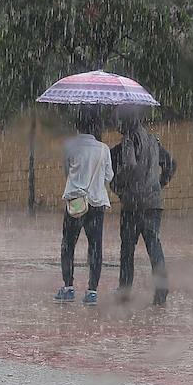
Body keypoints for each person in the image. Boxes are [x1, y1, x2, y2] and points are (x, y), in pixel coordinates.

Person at [110, 108, 176, 306]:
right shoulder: (152, 141)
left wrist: (119, 186)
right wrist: (159, 184)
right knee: (154, 246)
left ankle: (124, 291)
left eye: (119, 121)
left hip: (132, 205)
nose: (117, 126)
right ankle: (162, 289)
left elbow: (129, 166)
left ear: (125, 122)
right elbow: (171, 164)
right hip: (153, 204)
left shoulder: (128, 141)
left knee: (127, 249)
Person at [54, 106, 114, 306]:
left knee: (68, 245)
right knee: (95, 246)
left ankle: (68, 288)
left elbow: (67, 172)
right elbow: (109, 177)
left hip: (75, 203)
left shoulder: (70, 146)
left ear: (78, 124)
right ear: (97, 125)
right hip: (96, 203)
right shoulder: (104, 149)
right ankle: (92, 292)